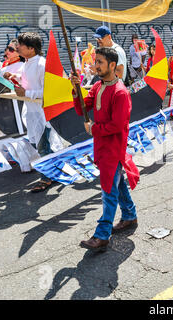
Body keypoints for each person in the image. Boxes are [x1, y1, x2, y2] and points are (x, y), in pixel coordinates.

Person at [70, 47, 140, 253]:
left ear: (112, 65)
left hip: (113, 147)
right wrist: (76, 90)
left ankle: (102, 235)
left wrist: (93, 128)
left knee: (108, 190)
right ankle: (129, 215)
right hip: (101, 145)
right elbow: (82, 108)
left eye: (100, 62)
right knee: (117, 185)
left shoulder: (120, 92)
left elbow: (117, 125)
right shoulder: (98, 86)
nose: (96, 65)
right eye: (96, 61)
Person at [8, 32, 64, 192]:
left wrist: (26, 93)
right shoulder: (27, 63)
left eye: (20, 45)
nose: (17, 47)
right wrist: (16, 78)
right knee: (40, 145)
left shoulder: (41, 64)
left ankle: (46, 178)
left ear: (31, 48)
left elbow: (48, 91)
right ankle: (60, 167)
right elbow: (29, 83)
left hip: (42, 114)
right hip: (31, 113)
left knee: (42, 147)